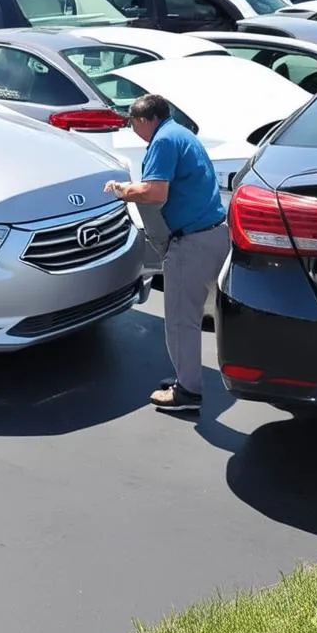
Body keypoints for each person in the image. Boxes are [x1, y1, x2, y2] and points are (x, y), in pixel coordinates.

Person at [103, 94, 229, 414]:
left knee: (180, 321)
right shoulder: (182, 133)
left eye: (133, 123)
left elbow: (155, 191)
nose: (133, 129)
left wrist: (122, 190)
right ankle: (193, 380)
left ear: (146, 119)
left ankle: (187, 391)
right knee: (207, 316)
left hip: (192, 243)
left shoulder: (163, 141)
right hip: (215, 233)